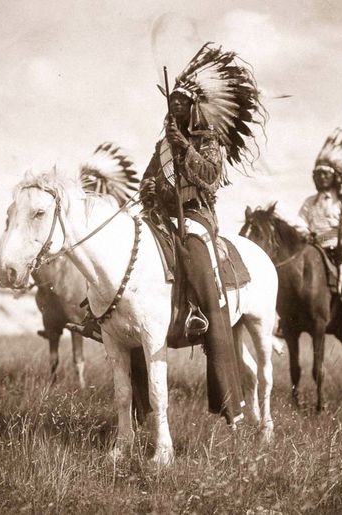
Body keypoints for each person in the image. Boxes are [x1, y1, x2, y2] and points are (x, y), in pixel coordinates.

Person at [139, 43, 266, 425]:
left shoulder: (206, 140)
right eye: (171, 103)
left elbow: (210, 177)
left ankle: (202, 315)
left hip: (196, 216)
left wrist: (186, 151)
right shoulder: (162, 145)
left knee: (195, 253)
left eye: (181, 103)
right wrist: (148, 196)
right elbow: (148, 180)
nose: (174, 108)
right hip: (162, 217)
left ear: (193, 108)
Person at [293, 129, 342, 331]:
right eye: (317, 174)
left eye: (325, 174)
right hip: (314, 248)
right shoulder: (310, 202)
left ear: (334, 177)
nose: (321, 177)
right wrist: (305, 233)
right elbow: (299, 221)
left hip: (339, 249)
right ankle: (288, 319)